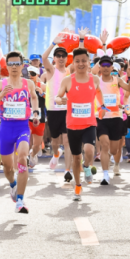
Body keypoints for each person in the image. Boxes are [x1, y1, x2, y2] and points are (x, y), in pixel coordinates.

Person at [0, 51, 40, 213]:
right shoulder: (0, 84)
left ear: (22, 65)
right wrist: (2, 94)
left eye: (17, 63)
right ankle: (13, 184)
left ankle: (20, 201)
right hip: (5, 128)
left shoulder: (28, 83)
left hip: (22, 127)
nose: (14, 67)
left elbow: (34, 97)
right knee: (8, 169)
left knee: (22, 158)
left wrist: (36, 112)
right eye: (11, 64)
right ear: (7, 66)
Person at [56, 47, 104, 202]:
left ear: (89, 62)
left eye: (84, 61)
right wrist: (59, 100)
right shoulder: (67, 80)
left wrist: (102, 106)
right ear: (73, 63)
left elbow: (98, 92)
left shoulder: (94, 79)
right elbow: (58, 96)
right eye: (77, 61)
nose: (81, 63)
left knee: (89, 150)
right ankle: (77, 186)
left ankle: (87, 166)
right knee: (76, 158)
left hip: (89, 123)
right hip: (72, 125)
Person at [96, 53, 130, 185]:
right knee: (104, 145)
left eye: (108, 65)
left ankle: (111, 159)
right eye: (103, 65)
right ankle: (105, 175)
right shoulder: (96, 81)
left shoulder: (117, 80)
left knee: (114, 150)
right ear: (100, 67)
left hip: (116, 118)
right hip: (101, 118)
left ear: (112, 67)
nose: (106, 67)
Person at [41, 30, 73, 182]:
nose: (60, 58)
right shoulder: (51, 70)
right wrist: (53, 43)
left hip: (67, 110)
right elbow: (43, 57)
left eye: (63, 56)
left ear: (66, 58)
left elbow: (81, 57)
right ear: (54, 58)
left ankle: (67, 170)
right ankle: (55, 154)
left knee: (66, 141)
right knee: (55, 141)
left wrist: (80, 40)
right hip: (53, 110)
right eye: (58, 55)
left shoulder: (70, 71)